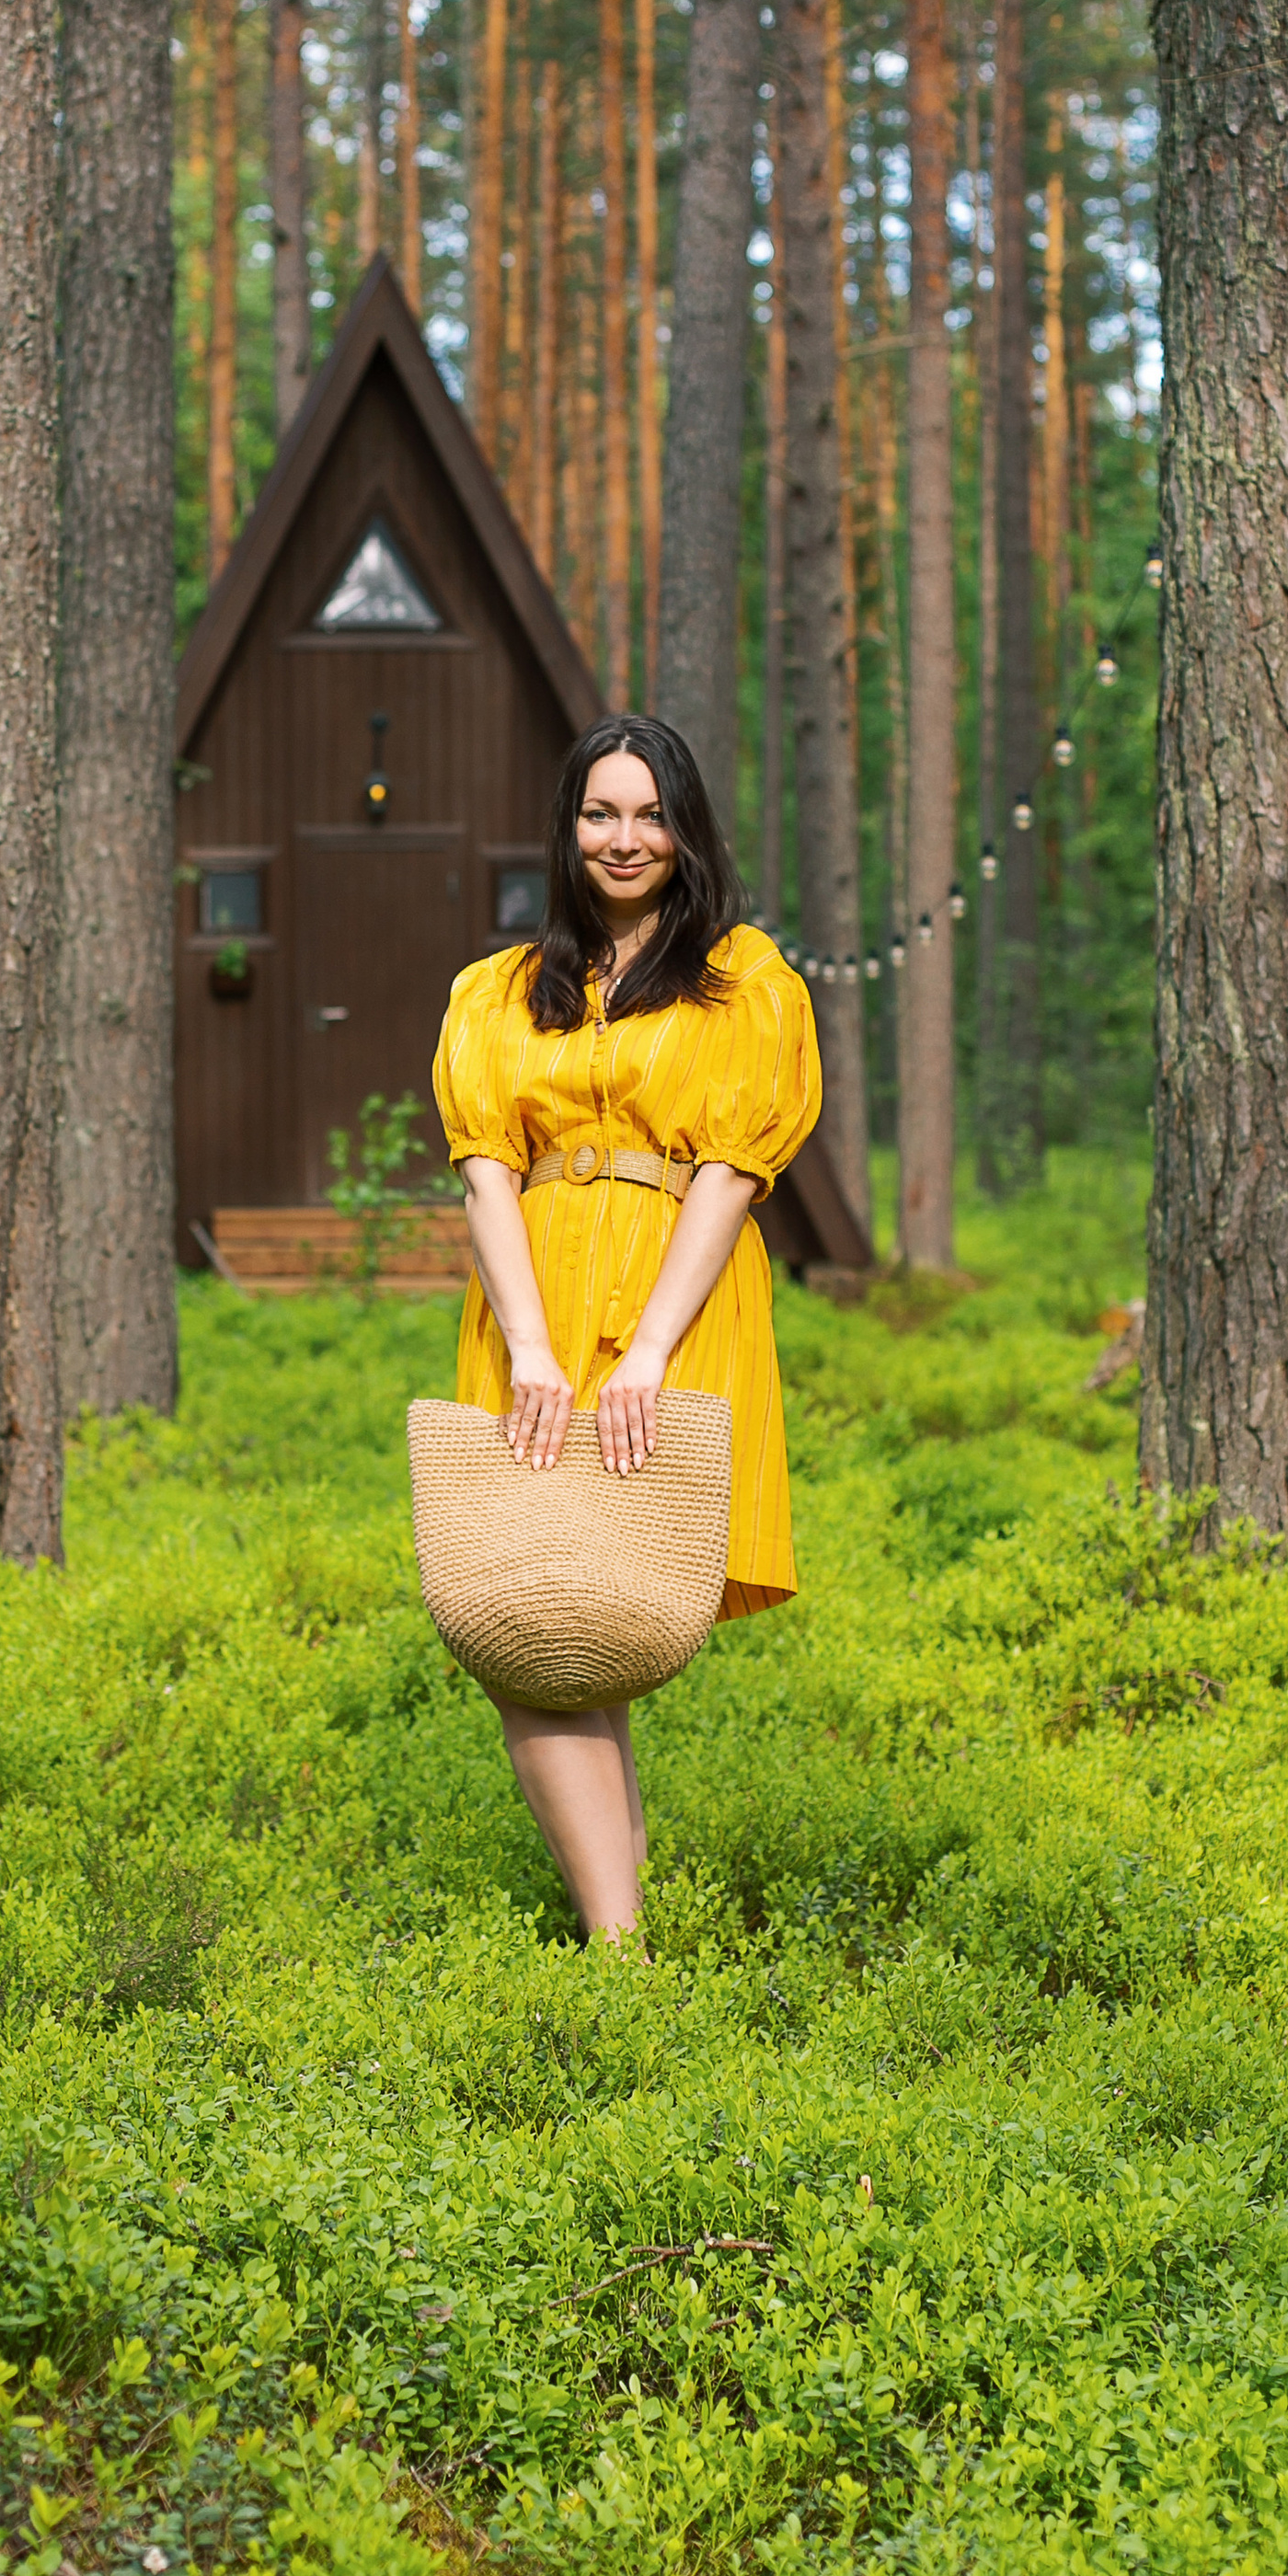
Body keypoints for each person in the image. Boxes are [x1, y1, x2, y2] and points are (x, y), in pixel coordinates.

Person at [431, 713, 822, 1945]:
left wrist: (651, 1347)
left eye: (651, 814)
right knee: (527, 1620)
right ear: (568, 829)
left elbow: (731, 1173)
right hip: (530, 1307)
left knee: (611, 1606)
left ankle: (618, 1949)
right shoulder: (495, 992)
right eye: (602, 813)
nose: (625, 838)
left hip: (678, 1303)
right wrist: (532, 1343)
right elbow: (487, 1168)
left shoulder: (747, 981)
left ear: (688, 831)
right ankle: (623, 1941)